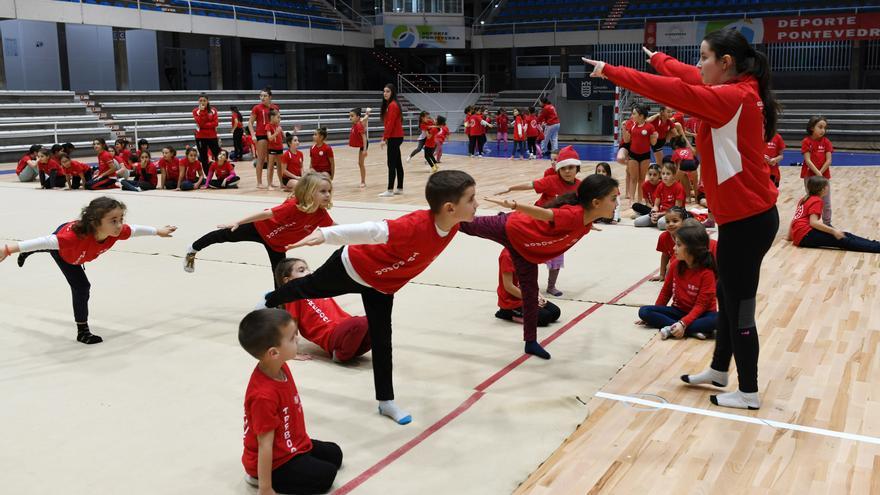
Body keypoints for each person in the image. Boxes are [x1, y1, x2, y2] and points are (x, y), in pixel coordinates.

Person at [585, 28, 781, 409]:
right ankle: (721, 371)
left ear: (725, 63)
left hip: (749, 221)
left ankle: (750, 391)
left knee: (740, 307)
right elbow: (686, 77)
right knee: (726, 296)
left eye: (704, 56)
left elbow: (672, 91)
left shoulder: (731, 98)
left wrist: (611, 70)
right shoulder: (737, 87)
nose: (698, 64)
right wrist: (658, 58)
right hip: (742, 218)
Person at [258, 170, 478, 425]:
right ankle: (269, 299)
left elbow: (492, 225)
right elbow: (373, 230)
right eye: (471, 199)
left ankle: (386, 401)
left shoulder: (456, 225)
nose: (477, 204)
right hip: (352, 266)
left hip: (382, 286)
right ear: (450, 208)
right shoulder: (414, 225)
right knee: (307, 287)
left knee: (383, 340)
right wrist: (327, 235)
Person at [463, 170, 618, 360]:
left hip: (526, 252)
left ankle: (530, 342)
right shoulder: (574, 215)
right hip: (510, 227)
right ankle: (430, 217)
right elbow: (546, 214)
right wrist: (515, 205)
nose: (617, 204)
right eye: (613, 199)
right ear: (596, 202)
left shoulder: (583, 223)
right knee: (462, 225)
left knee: (530, 294)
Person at [2, 197, 176, 344]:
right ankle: (82, 331)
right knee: (81, 286)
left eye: (121, 219)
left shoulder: (117, 231)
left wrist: (158, 231)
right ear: (95, 222)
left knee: (59, 250)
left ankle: (31, 252)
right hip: (67, 252)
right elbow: (44, 241)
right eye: (113, 221)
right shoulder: (72, 238)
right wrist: (8, 250)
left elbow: (135, 229)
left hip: (77, 250)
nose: (119, 225)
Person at [239, 309, 342, 495]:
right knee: (327, 475)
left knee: (335, 454)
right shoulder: (263, 396)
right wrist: (266, 488)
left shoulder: (280, 366)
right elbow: (264, 444)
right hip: (276, 463)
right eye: (293, 338)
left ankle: (300, 458)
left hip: (292, 443)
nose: (299, 339)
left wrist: (291, 352)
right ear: (274, 353)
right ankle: (258, 478)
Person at [185, 172, 334, 282]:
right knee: (223, 235)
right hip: (260, 228)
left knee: (280, 276)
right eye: (323, 191)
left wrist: (356, 233)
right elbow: (266, 214)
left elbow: (335, 228)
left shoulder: (320, 214)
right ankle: (193, 249)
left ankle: (279, 305)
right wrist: (238, 222)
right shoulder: (293, 206)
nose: (327, 195)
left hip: (277, 245)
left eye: (329, 191)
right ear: (310, 192)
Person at [496, 146, 582, 297]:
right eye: (564, 168)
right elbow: (530, 185)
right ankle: (521, 282)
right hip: (538, 222)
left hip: (559, 226)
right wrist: (511, 188)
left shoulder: (580, 187)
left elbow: (584, 209)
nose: (567, 171)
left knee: (557, 256)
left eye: (571, 168)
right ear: (558, 170)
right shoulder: (551, 181)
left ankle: (551, 286)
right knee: (528, 252)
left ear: (577, 168)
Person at [275, 258, 372, 362]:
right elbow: (292, 324)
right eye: (301, 270)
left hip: (345, 330)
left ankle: (351, 351)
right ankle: (341, 355)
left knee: (376, 321)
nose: (308, 272)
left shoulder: (317, 289)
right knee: (361, 323)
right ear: (287, 280)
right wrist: (291, 353)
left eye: (308, 269)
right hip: (331, 335)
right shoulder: (294, 295)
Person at [638, 220, 718, 340]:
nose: (674, 248)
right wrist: (653, 314)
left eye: (679, 245)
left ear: (692, 249)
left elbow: (701, 306)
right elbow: (666, 292)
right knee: (644, 311)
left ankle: (674, 328)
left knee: (720, 319)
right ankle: (691, 331)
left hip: (702, 314)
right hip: (679, 311)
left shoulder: (707, 273)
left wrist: (683, 323)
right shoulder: (675, 265)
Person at [788, 176, 880, 253]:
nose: (828, 188)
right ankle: (876, 247)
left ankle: (875, 244)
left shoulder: (804, 199)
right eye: (827, 186)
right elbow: (814, 223)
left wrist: (790, 237)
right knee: (842, 240)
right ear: (822, 189)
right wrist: (833, 231)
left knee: (845, 235)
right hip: (805, 236)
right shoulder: (817, 200)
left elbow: (795, 220)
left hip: (802, 235)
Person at [495, 248, 561, 327]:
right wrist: (531, 298)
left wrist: (539, 296)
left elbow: (530, 279)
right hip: (511, 301)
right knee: (544, 318)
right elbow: (509, 286)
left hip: (528, 295)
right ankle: (506, 313)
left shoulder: (526, 251)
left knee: (555, 312)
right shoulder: (506, 256)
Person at [801, 115, 833, 226]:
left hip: (824, 176)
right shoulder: (806, 141)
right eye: (820, 127)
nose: (823, 130)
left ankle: (827, 224)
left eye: (824, 128)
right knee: (812, 201)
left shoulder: (827, 142)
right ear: (811, 128)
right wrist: (818, 173)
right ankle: (810, 223)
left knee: (827, 203)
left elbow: (829, 160)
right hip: (810, 176)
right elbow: (808, 160)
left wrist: (821, 174)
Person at [623, 104, 657, 205]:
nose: (632, 116)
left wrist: (654, 137)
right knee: (634, 178)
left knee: (641, 179)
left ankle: (639, 200)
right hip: (633, 155)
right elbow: (626, 140)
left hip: (645, 156)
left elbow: (653, 143)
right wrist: (624, 129)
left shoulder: (650, 127)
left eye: (634, 114)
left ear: (641, 116)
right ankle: (632, 200)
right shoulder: (632, 126)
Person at [634, 161, 683, 229]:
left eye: (668, 174)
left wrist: (660, 214)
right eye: (663, 173)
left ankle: (664, 222)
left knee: (661, 224)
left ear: (674, 175)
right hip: (660, 213)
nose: (665, 176)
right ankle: (656, 220)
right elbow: (656, 205)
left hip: (673, 214)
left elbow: (676, 209)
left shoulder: (678, 187)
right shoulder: (660, 186)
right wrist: (653, 213)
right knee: (637, 222)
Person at [249, 87, 280, 190]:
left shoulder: (275, 107)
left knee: (271, 160)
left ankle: (270, 183)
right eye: (261, 95)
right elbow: (250, 123)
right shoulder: (256, 108)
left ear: (270, 97)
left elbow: (277, 121)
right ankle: (259, 182)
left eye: (265, 96)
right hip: (261, 135)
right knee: (261, 159)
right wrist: (253, 135)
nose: (262, 98)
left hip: (272, 135)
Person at [379, 83, 404, 198]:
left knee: (391, 164)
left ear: (392, 92)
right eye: (384, 91)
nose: (385, 93)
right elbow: (389, 123)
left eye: (387, 91)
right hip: (396, 136)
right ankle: (399, 188)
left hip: (394, 137)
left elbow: (391, 123)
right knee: (397, 163)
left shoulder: (393, 105)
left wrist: (385, 138)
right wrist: (385, 136)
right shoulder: (391, 104)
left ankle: (390, 190)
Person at [651, 206, 689, 281]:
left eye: (675, 221)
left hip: (690, 263)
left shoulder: (688, 236)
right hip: (677, 263)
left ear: (684, 222)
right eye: (667, 221)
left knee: (670, 266)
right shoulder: (663, 237)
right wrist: (662, 274)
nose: (670, 224)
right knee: (669, 269)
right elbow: (664, 256)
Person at [193, 93, 221, 174]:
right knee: (203, 156)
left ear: (207, 101)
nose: (202, 102)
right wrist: (202, 111)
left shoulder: (213, 110)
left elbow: (216, 123)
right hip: (200, 137)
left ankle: (220, 172)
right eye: (200, 100)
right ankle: (208, 175)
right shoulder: (195, 111)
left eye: (204, 100)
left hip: (212, 136)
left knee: (217, 155)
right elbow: (200, 123)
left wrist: (205, 126)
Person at [265, 108, 285, 189]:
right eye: (278, 117)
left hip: (280, 148)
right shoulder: (268, 126)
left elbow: (285, 136)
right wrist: (276, 133)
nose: (280, 119)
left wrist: (293, 132)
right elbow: (269, 138)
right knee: (271, 166)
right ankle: (269, 184)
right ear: (272, 117)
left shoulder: (279, 126)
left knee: (280, 167)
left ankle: (281, 183)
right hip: (272, 149)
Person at [349, 107, 368, 188]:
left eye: (352, 116)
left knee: (361, 163)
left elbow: (364, 137)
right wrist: (367, 115)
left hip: (363, 145)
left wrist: (364, 150)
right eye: (350, 116)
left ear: (357, 117)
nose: (350, 118)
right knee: (360, 163)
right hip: (361, 145)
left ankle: (363, 182)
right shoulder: (357, 123)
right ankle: (368, 113)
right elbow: (364, 119)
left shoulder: (359, 125)